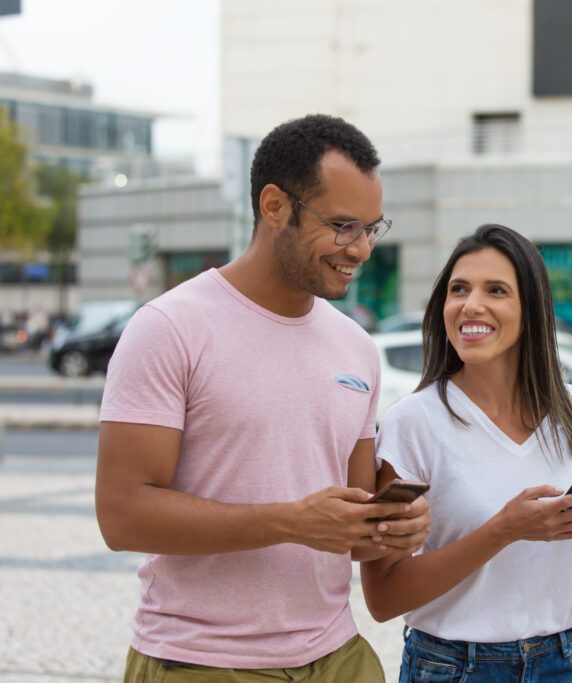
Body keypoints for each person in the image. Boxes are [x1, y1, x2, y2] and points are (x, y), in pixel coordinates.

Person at [95, 114, 430, 682]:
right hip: (203, 661)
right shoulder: (169, 328)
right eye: (345, 226)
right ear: (275, 206)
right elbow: (122, 517)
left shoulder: (356, 347)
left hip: (339, 657)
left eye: (374, 228)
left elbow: (347, 518)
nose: (363, 249)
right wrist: (290, 521)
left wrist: (393, 525)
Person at [363, 224, 572, 682]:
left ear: (532, 309)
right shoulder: (413, 423)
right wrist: (504, 530)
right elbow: (383, 598)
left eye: (496, 290)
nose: (470, 305)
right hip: (452, 667)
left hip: (565, 661)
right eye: (458, 289)